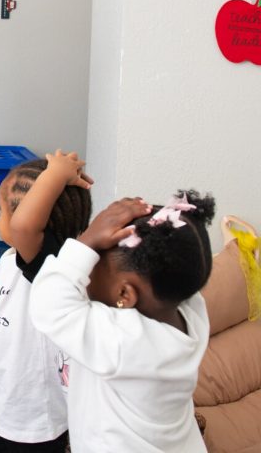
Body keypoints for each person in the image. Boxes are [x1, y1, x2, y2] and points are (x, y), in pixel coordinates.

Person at [29, 190, 215, 452]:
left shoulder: (126, 342)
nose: (86, 267)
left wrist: (87, 240)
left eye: (95, 259)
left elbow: (49, 304)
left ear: (125, 294)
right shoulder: (189, 311)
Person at [0, 151, 92, 452]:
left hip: (31, 420)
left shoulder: (48, 268)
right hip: (5, 397)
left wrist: (55, 173)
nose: (0, 220)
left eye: (2, 212)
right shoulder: (23, 260)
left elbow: (25, 228)